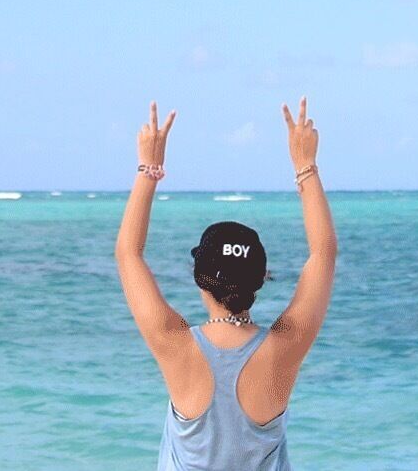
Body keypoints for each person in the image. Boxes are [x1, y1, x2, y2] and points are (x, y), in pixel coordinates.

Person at [115, 97, 337, 470]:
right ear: (260, 279)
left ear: (199, 280)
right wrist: (305, 166)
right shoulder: (284, 348)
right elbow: (323, 254)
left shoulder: (175, 345)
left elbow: (128, 254)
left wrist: (148, 168)